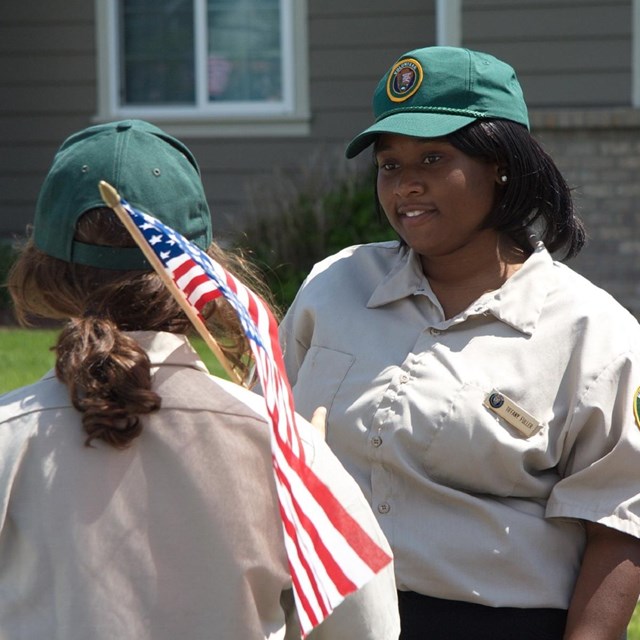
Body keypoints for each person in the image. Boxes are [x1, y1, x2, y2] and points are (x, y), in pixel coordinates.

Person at [279, 46, 640, 640]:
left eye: (433, 157)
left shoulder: (591, 333)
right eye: (389, 165)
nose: (405, 185)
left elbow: (619, 525)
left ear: (502, 163)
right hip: (325, 618)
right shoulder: (334, 287)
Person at [0, 119, 400, 640]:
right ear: (200, 266)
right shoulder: (279, 448)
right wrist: (304, 475)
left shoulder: (10, 439)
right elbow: (363, 629)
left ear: (47, 268)